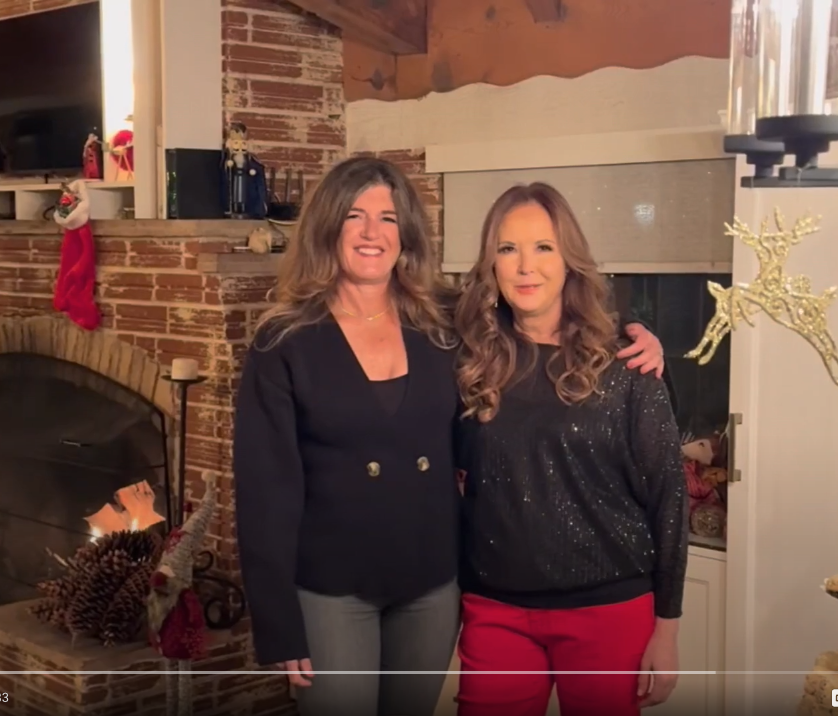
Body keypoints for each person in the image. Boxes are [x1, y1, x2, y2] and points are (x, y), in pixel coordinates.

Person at [233, 157, 666, 716]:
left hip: (432, 584)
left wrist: (634, 335)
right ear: (327, 227)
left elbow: (540, 313)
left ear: (406, 233)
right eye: (354, 216)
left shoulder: (444, 320)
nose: (371, 232)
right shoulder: (284, 341)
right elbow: (264, 492)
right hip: (331, 586)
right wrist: (276, 622)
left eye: (388, 218)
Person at [452, 183, 689, 716]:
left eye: (544, 247)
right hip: (495, 610)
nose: (525, 266)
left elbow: (669, 500)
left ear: (569, 260)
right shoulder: (468, 359)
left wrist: (668, 629)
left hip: (610, 609)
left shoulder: (628, 365)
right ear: (491, 263)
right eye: (508, 249)